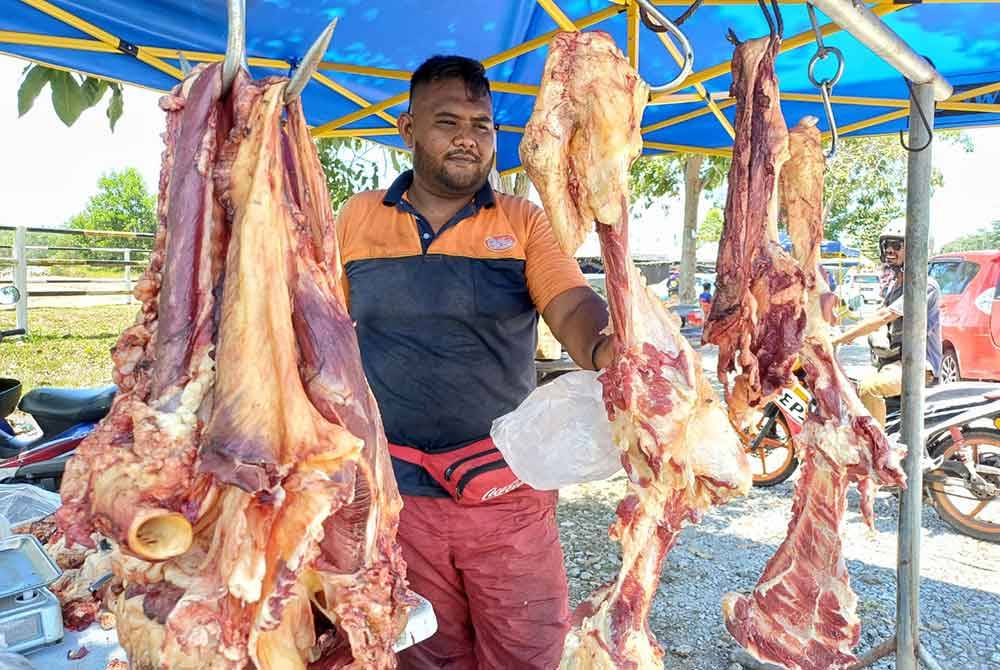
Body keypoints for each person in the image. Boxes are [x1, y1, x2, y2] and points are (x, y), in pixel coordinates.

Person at [334, 55, 614, 669]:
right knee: (425, 653)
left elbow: (569, 305)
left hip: (507, 492)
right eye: (448, 121)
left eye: (482, 124)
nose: (468, 137)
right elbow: (317, 327)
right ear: (407, 129)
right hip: (397, 494)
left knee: (524, 650)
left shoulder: (520, 221)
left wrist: (610, 350)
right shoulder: (356, 219)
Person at [830, 220, 942, 425]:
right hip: (894, 363)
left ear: (916, 248)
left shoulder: (923, 285)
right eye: (887, 245)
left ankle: (878, 450)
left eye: (897, 245)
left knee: (869, 388)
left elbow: (885, 317)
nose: (890, 250)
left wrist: (840, 339)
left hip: (917, 365)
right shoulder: (893, 285)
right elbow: (876, 315)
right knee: (848, 388)